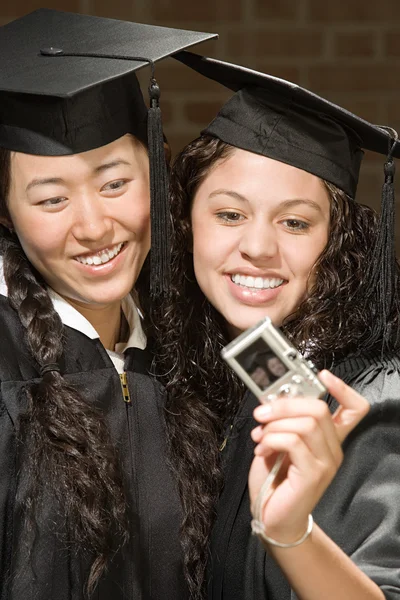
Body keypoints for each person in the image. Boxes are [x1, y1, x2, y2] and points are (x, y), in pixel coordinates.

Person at [152, 51, 400, 600]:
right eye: (230, 214)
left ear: (338, 243)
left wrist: (292, 534)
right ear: (185, 218)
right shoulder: (199, 373)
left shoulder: (372, 403)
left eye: (294, 222)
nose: (259, 248)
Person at [0, 9, 216, 599]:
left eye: (115, 183)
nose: (94, 226)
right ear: (7, 214)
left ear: (156, 172)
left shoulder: (186, 350)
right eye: (50, 200)